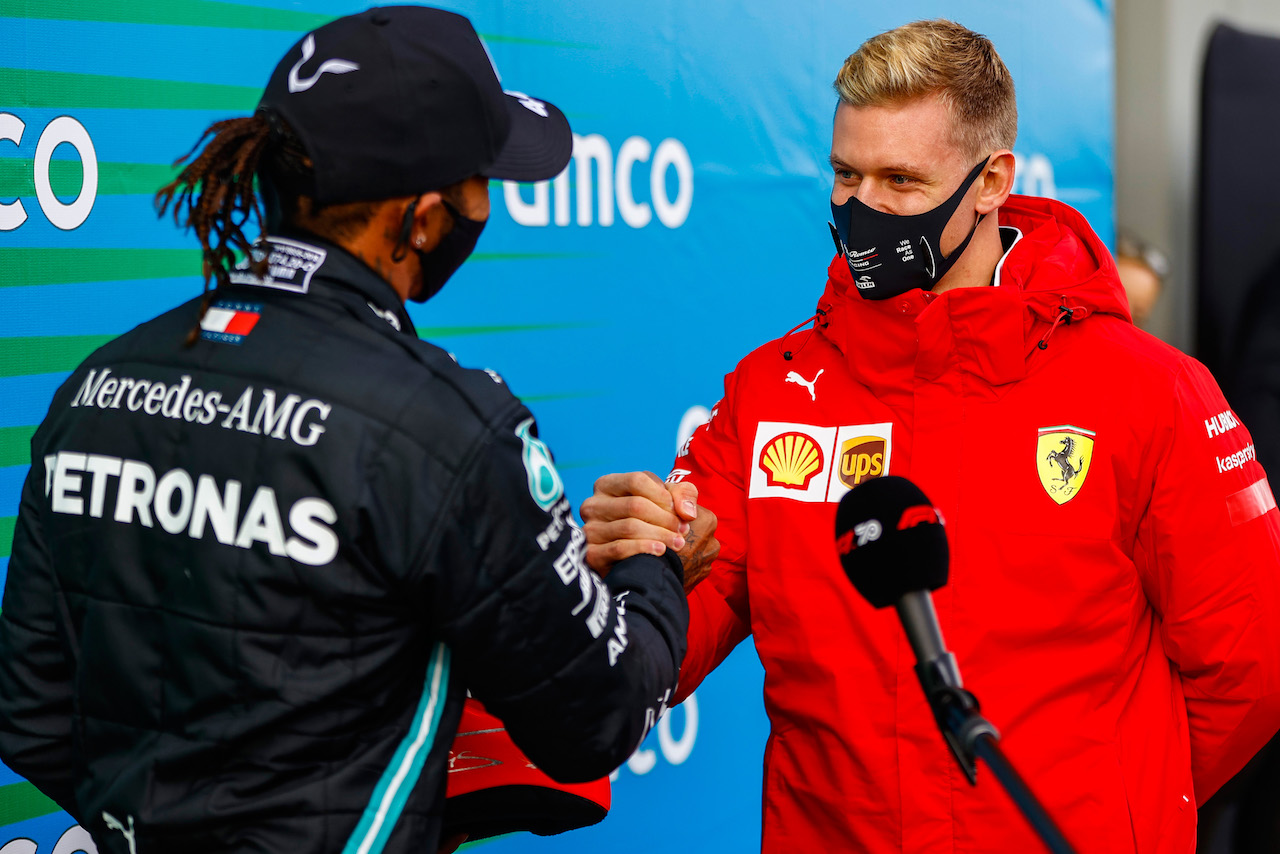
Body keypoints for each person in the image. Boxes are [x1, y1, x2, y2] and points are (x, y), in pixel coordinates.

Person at [0, 7, 696, 854]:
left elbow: (32, 715)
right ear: (423, 218)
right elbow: (598, 716)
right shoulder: (450, 428)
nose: (489, 205)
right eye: (483, 180)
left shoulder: (99, 383)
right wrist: (654, 571)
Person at [583, 19, 1280, 852]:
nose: (862, 208)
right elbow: (679, 626)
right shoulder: (770, 393)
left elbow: (1250, 668)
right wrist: (630, 565)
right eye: (846, 174)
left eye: (901, 181)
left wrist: (1118, 808)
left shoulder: (1148, 391)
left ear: (991, 181)